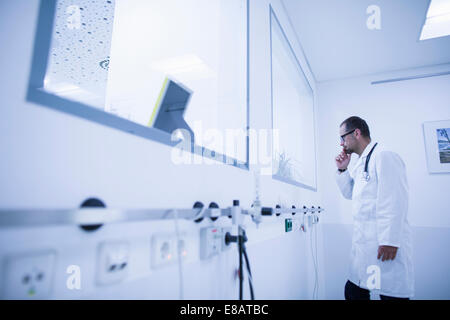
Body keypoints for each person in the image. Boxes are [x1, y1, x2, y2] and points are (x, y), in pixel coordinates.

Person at [335, 116, 414, 300]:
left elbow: (395, 200)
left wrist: (390, 240)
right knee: (354, 291)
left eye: (343, 137)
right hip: (365, 249)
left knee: (390, 295)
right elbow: (349, 194)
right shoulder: (361, 163)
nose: (341, 144)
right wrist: (342, 170)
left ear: (356, 133)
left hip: (384, 247)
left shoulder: (385, 155)